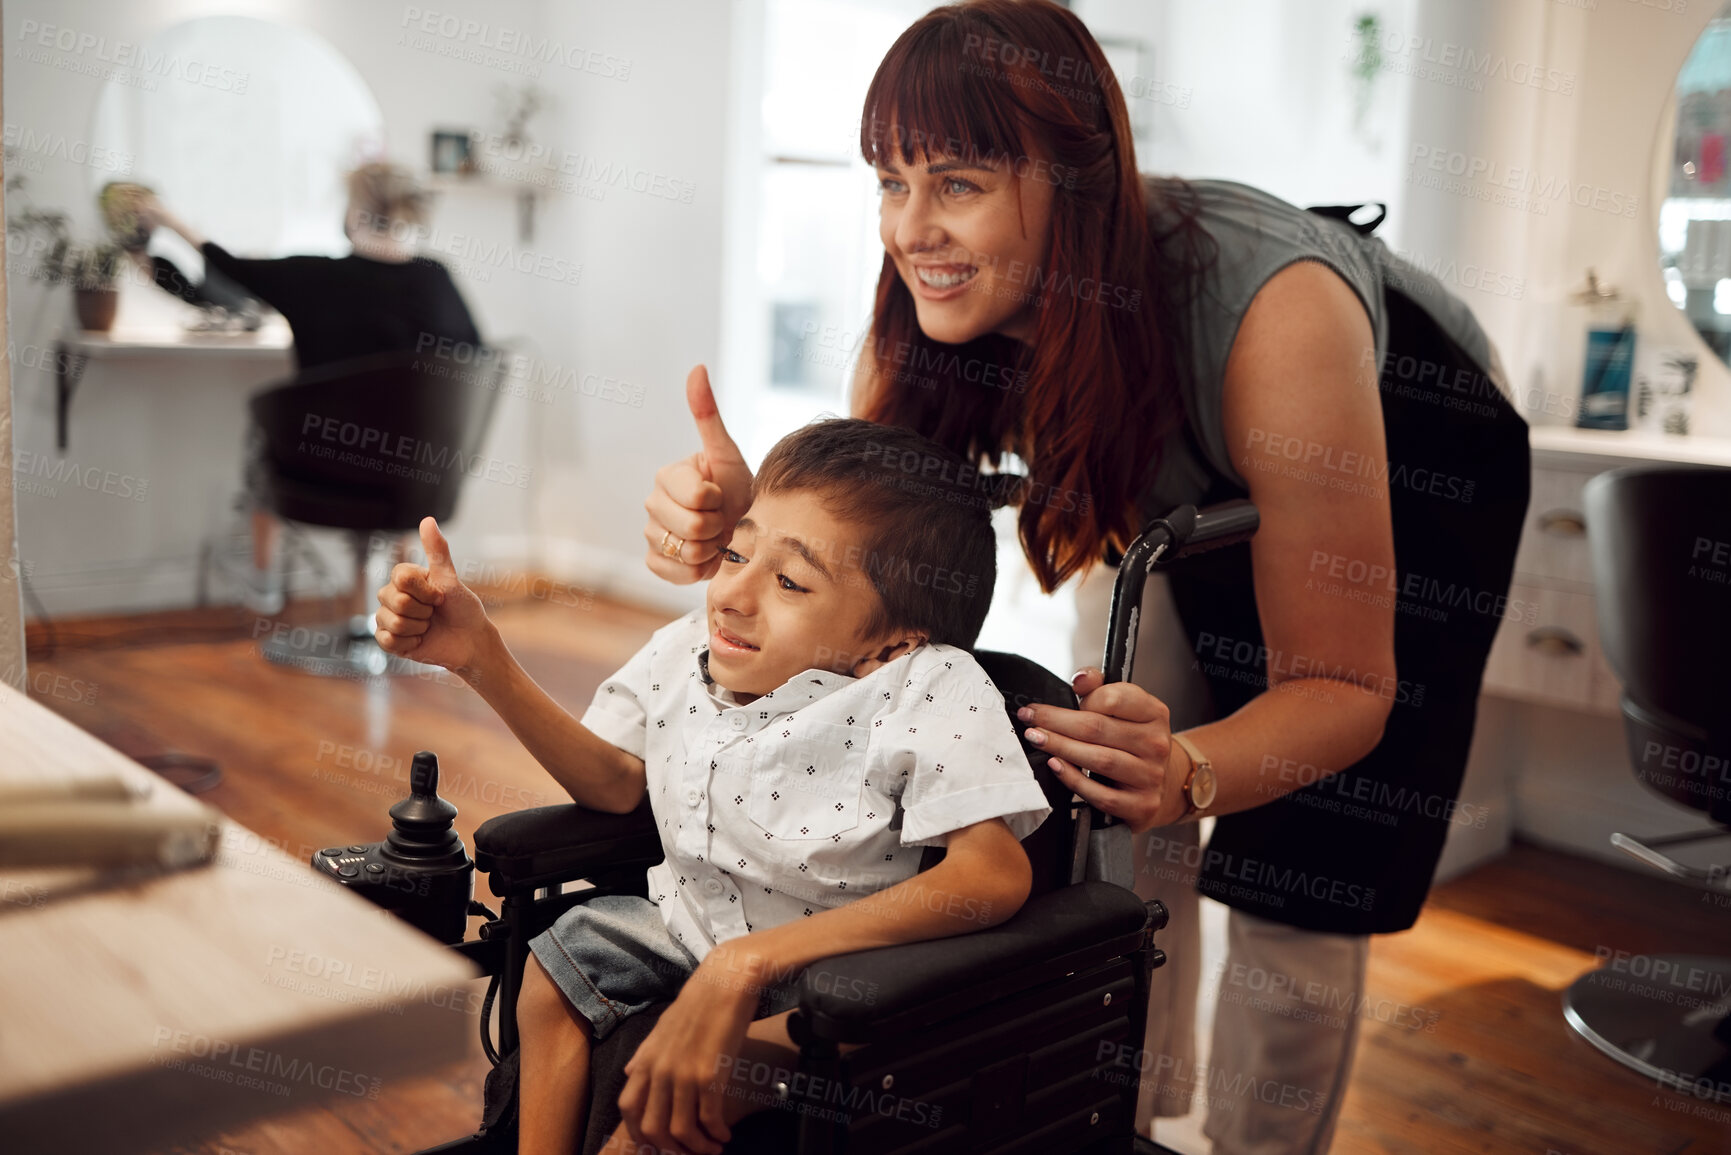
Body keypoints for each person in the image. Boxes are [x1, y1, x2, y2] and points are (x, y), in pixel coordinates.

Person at [642, 1, 1530, 1151]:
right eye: (890, 181)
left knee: (1303, 860)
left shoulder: (1278, 311)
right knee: (1110, 774)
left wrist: (1199, 769)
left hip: (1410, 458)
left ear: (1076, 183)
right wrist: (743, 522)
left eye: (956, 182)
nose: (912, 228)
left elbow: (1345, 689)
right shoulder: (927, 306)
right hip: (1178, 466)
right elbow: (866, 560)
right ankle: (1127, 1119)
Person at [374, 417, 1052, 1155]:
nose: (731, 593)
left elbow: (992, 873)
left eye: (790, 580)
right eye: (736, 551)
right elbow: (612, 784)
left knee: (667, 1098)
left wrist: (749, 962)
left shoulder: (925, 682)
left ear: (891, 642)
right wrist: (483, 659)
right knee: (555, 965)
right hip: (682, 931)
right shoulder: (683, 649)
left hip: (833, 979)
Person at [128, 163, 484, 613]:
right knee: (407, 436)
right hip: (420, 480)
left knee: (269, 433)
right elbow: (474, 361)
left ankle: (263, 584)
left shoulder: (315, 277)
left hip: (325, 467)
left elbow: (231, 267)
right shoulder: (437, 279)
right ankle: (405, 597)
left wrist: (167, 219)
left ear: (355, 213)